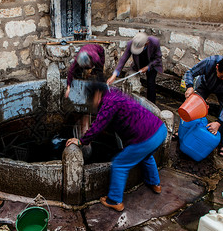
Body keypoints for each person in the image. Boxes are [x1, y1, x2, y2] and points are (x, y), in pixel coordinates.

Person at [66, 82, 167, 212]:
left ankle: (114, 200)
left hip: (146, 138)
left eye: (91, 99)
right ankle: (155, 183)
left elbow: (98, 126)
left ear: (97, 94)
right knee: (146, 156)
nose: (92, 103)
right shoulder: (114, 94)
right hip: (159, 130)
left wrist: (81, 141)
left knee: (119, 164)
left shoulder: (108, 104)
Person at [182, 55, 223, 157]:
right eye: (222, 76)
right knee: (191, 107)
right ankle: (183, 131)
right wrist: (189, 87)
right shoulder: (210, 62)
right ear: (217, 67)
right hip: (205, 84)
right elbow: (190, 72)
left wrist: (219, 122)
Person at [107, 32, 162, 103]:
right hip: (138, 63)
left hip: (152, 64)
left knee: (150, 83)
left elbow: (158, 59)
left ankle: (151, 104)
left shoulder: (154, 42)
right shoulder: (131, 43)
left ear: (146, 43)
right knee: (131, 80)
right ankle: (132, 102)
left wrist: (148, 67)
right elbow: (123, 59)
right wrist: (114, 75)